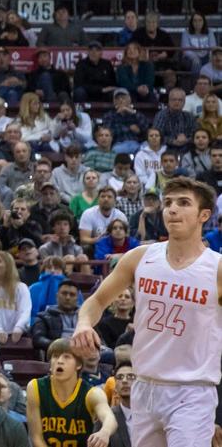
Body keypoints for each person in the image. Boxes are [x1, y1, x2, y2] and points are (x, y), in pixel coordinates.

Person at [72, 177, 222, 447]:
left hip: (192, 390)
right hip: (144, 386)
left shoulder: (217, 268)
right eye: (168, 203)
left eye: (183, 203)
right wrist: (83, 324)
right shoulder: (140, 257)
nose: (172, 209)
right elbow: (96, 301)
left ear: (204, 215)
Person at [26, 338, 116, 447]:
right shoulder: (35, 387)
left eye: (66, 357)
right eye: (55, 356)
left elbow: (110, 418)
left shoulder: (92, 393)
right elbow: (36, 438)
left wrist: (105, 432)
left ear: (78, 365)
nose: (59, 361)